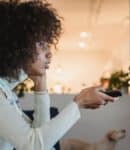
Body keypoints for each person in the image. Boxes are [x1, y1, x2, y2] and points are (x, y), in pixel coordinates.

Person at [0, 1, 115, 150]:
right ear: (18, 46)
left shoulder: (6, 91)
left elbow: (40, 139)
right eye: (41, 45)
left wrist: (41, 85)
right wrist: (79, 102)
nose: (49, 53)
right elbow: (34, 145)